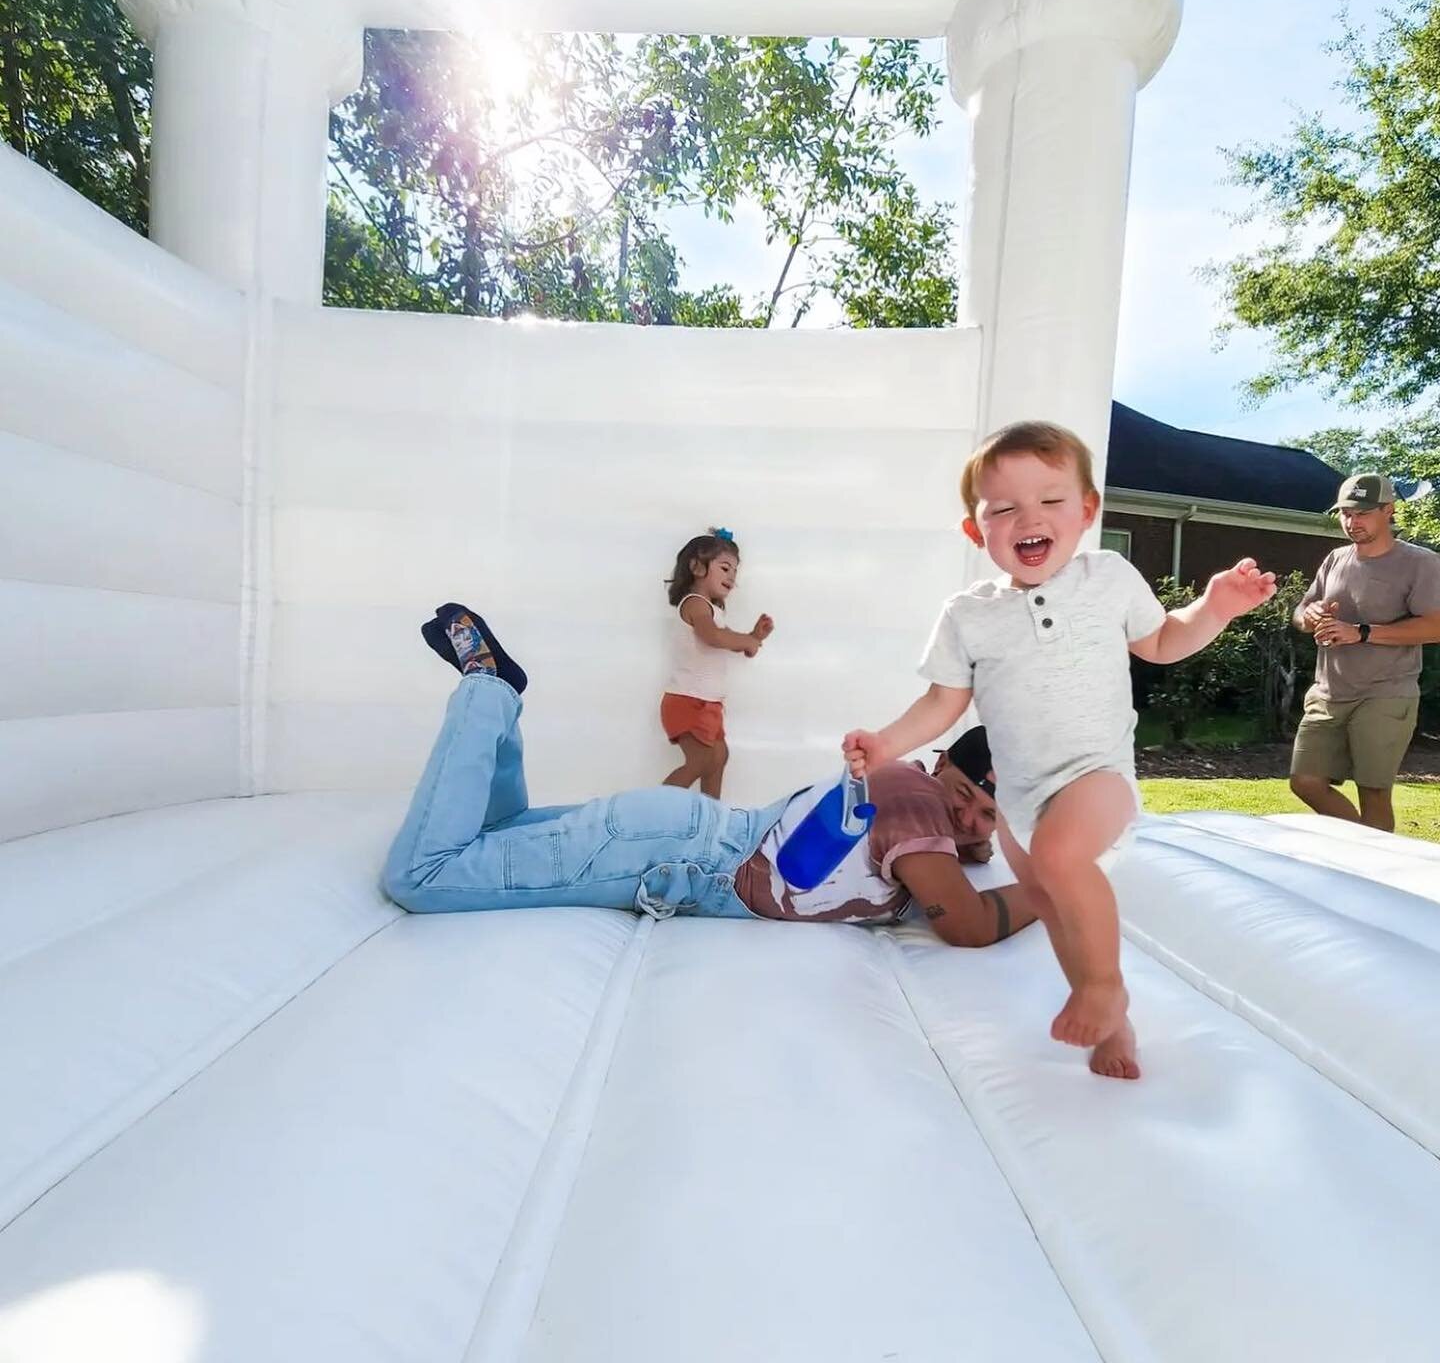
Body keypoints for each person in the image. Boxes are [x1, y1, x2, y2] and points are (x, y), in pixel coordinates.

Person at [843, 421, 1277, 1081]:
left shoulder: (1107, 578)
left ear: (1087, 510)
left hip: (1095, 777)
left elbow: (1161, 642)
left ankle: (1106, 987)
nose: (1030, 519)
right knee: (1048, 902)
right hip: (1018, 799)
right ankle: (1112, 1024)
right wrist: (886, 743)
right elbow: (943, 703)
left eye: (1050, 500)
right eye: (1004, 508)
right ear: (975, 531)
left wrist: (1215, 607)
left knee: (1060, 855)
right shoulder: (967, 615)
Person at [385, 604, 1033, 965]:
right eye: (965, 797)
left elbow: (961, 854)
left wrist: (975, 836)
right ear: (940, 761)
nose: (972, 822)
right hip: (661, 853)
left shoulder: (912, 795)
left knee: (492, 835)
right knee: (422, 877)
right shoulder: (915, 805)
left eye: (987, 816)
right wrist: (1051, 893)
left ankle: (499, 703)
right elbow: (968, 927)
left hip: (672, 834)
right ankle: (488, 688)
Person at [1289, 473, 1440, 832]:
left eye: (1362, 514)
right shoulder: (1334, 559)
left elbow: (1435, 626)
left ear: (1388, 511)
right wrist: (1308, 616)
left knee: (1373, 790)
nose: (1351, 522)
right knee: (1305, 781)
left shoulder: (1420, 563)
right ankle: (1370, 849)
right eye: (1345, 514)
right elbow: (1301, 611)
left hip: (1386, 693)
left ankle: (1374, 871)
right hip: (1328, 693)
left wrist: (1362, 632)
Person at [659, 528, 774, 798]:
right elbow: (712, 637)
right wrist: (747, 640)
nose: (732, 577)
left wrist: (753, 638)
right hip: (687, 701)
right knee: (701, 761)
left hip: (708, 703)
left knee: (718, 758)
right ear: (697, 567)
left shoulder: (714, 612)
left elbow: (729, 643)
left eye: (734, 571)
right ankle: (656, 810)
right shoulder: (695, 604)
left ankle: (710, 816)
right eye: (725, 568)